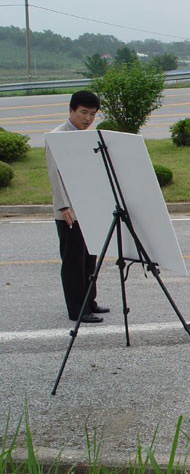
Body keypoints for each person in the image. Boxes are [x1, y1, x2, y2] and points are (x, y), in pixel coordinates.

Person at [45, 90, 108, 323]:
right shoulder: (57, 136)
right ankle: (77, 310)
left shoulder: (86, 136)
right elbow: (55, 174)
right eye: (83, 113)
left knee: (89, 259)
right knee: (73, 261)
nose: (88, 118)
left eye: (92, 114)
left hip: (88, 208)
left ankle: (90, 301)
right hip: (69, 212)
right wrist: (63, 207)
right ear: (71, 111)